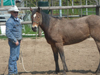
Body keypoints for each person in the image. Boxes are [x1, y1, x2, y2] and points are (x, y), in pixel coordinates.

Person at [6, 5, 22, 75]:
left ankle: (15, 72)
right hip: (14, 41)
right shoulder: (10, 21)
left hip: (17, 41)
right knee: (13, 57)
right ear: (11, 12)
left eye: (17, 12)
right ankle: (11, 72)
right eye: (15, 12)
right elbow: (8, 33)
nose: (16, 13)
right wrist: (15, 40)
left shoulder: (16, 20)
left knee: (16, 57)